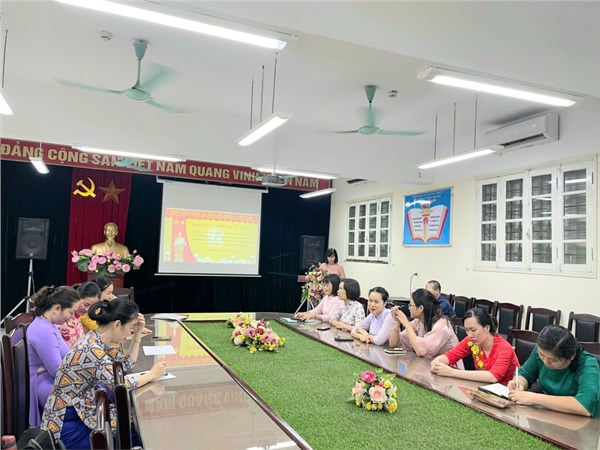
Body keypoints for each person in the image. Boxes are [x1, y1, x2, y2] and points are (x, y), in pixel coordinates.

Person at [41, 298, 166, 449]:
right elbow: (120, 385)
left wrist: (137, 337)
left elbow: (126, 365)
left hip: (80, 410)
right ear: (117, 324)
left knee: (132, 424)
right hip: (67, 420)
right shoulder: (90, 349)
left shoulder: (96, 339)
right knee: (133, 430)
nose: (130, 332)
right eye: (131, 327)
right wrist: (152, 375)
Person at [508, 325, 599, 417]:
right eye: (541, 355)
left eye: (553, 360)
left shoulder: (587, 364)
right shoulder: (543, 350)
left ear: (571, 356)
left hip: (578, 419)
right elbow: (525, 374)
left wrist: (534, 398)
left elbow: (585, 406)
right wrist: (520, 383)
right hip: (547, 413)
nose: (545, 362)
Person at [27, 285, 80, 426]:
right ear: (57, 308)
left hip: (48, 378)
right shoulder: (43, 330)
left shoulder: (48, 325)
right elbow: (57, 370)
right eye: (71, 312)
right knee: (92, 397)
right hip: (44, 384)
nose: (71, 317)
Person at [431, 308, 519, 385]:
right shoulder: (471, 341)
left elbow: (493, 377)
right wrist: (437, 362)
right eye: (467, 330)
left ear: (487, 328)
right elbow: (451, 355)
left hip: (505, 393)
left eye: (473, 330)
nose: (470, 335)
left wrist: (452, 372)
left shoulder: (504, 348)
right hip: (482, 388)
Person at [388, 288, 462, 365]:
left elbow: (421, 352)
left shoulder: (442, 325)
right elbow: (393, 344)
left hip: (449, 367)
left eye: (411, 305)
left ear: (421, 308)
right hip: (429, 364)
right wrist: (398, 322)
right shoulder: (418, 321)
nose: (409, 308)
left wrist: (407, 324)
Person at [59, 282, 101, 348]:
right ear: (77, 297)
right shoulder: (64, 318)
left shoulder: (77, 317)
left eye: (91, 307)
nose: (87, 309)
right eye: (86, 304)